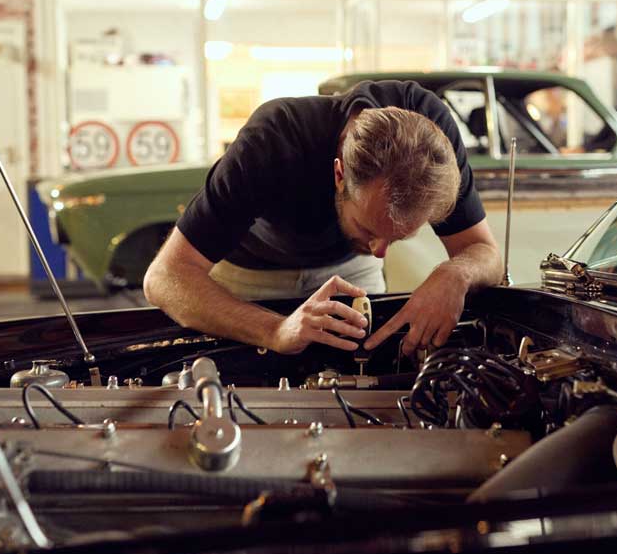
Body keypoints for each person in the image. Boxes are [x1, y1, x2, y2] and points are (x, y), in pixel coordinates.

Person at [143, 80, 503, 356]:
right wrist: (274, 330)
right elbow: (165, 277)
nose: (380, 253)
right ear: (339, 174)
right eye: (368, 228)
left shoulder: (432, 140)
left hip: (350, 273)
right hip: (251, 277)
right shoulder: (274, 138)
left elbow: (482, 250)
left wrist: (455, 273)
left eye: (397, 238)